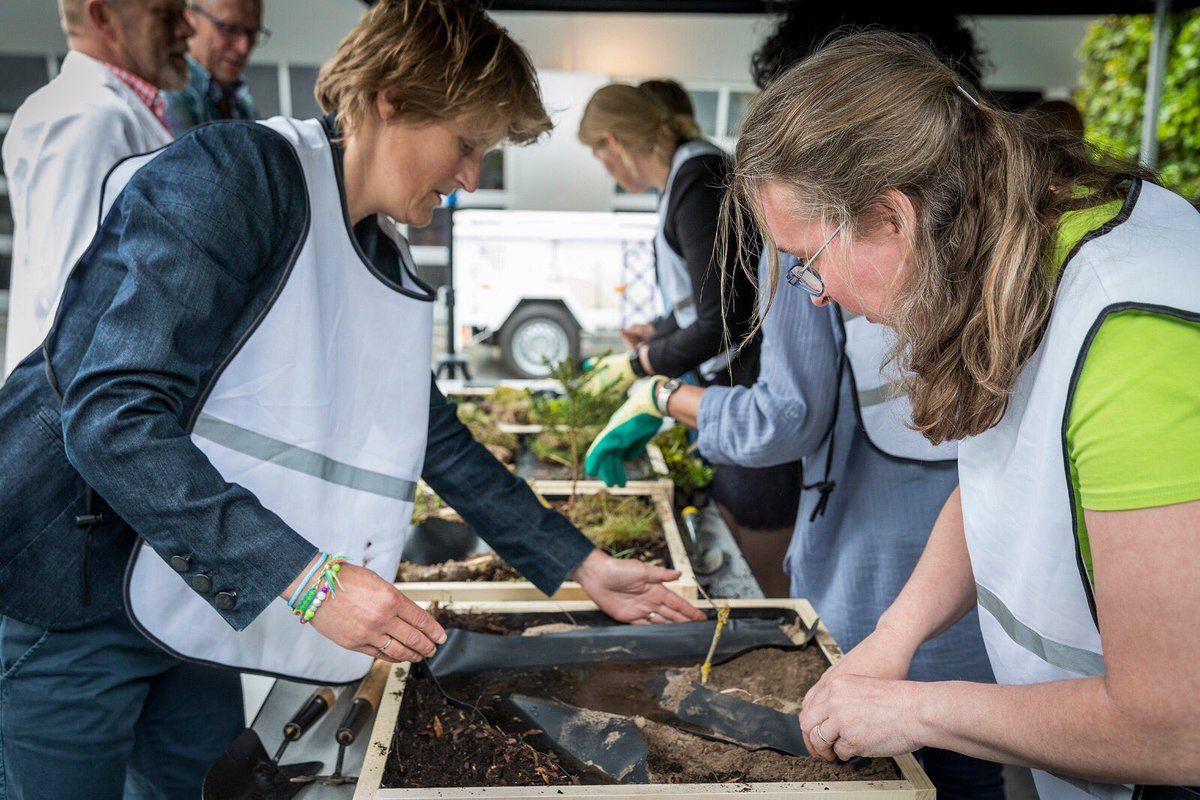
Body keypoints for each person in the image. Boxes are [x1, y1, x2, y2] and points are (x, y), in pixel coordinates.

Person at [0, 2, 703, 797]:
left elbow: (428, 432)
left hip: (184, 589)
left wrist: (581, 564)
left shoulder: (372, 242)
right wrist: (311, 580)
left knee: (199, 786)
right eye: (466, 145)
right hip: (74, 581)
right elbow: (112, 416)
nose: (470, 178)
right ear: (390, 100)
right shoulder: (233, 178)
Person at [728, 31, 1200, 799]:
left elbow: (1177, 727)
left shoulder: (1132, 337)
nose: (818, 295)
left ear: (893, 217)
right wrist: (893, 639)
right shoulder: (1017, 251)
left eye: (807, 261)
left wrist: (915, 710)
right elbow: (999, 486)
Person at [586, 12, 1005, 798]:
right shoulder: (986, 235)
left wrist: (664, 394)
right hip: (972, 627)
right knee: (964, 768)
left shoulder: (814, 234)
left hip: (874, 602)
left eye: (804, 261)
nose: (815, 289)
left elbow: (785, 418)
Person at [578, 83, 803, 597]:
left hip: (751, 387)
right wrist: (657, 334)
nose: (606, 168)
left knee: (757, 553)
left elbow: (722, 318)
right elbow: (703, 297)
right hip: (728, 383)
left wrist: (640, 365)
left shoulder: (699, 180)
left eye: (598, 154)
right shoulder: (684, 180)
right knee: (734, 525)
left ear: (612, 143)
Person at [2, 0, 192, 378]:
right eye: (166, 14)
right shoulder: (88, 118)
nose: (187, 29)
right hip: (86, 399)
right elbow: (78, 304)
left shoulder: (103, 110)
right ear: (103, 16)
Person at [166, 0, 264, 136]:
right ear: (189, 19)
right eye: (229, 29)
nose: (244, 48)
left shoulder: (242, 101)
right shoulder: (170, 93)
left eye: (252, 33)